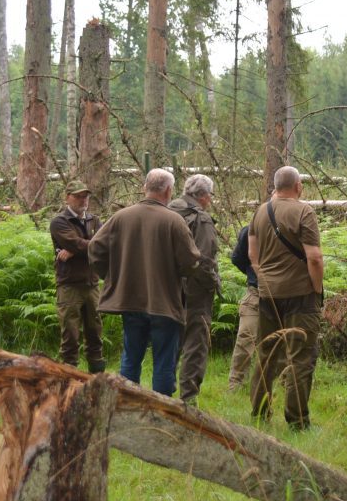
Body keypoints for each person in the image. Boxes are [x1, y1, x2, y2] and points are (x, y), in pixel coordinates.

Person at [89, 169, 215, 396]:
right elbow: (191, 261)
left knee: (130, 359)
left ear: (144, 187)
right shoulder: (173, 221)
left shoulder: (121, 217)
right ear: (168, 190)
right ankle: (161, 414)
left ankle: (126, 406)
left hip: (129, 300)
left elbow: (95, 249)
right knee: (164, 362)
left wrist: (113, 277)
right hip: (165, 302)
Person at [248, 166, 324, 431]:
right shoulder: (304, 211)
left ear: (276, 185)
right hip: (301, 295)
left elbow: (252, 256)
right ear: (298, 186)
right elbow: (314, 257)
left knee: (266, 355)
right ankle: (298, 420)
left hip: (267, 295)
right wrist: (316, 288)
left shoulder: (260, 210)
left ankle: (258, 414)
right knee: (300, 358)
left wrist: (266, 280)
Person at [168, 174, 220, 404]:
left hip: (166, 288)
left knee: (170, 342)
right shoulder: (202, 219)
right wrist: (212, 285)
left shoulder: (168, 211)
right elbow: (205, 259)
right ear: (204, 196)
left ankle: (163, 393)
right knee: (195, 345)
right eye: (209, 196)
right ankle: (188, 401)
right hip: (195, 291)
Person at [49, 180, 105, 373]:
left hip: (91, 284)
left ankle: (97, 381)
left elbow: (105, 243)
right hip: (69, 286)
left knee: (95, 333)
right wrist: (86, 245)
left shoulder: (94, 220)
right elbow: (88, 243)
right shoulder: (59, 222)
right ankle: (68, 382)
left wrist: (73, 250)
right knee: (70, 336)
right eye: (78, 196)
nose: (83, 200)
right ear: (67, 197)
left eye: (86, 196)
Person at [227, 224, 260, 390]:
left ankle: (284, 384)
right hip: (255, 295)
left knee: (284, 341)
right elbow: (237, 258)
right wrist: (252, 273)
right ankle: (235, 385)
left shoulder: (291, 227)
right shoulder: (250, 230)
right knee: (245, 339)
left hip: (283, 294)